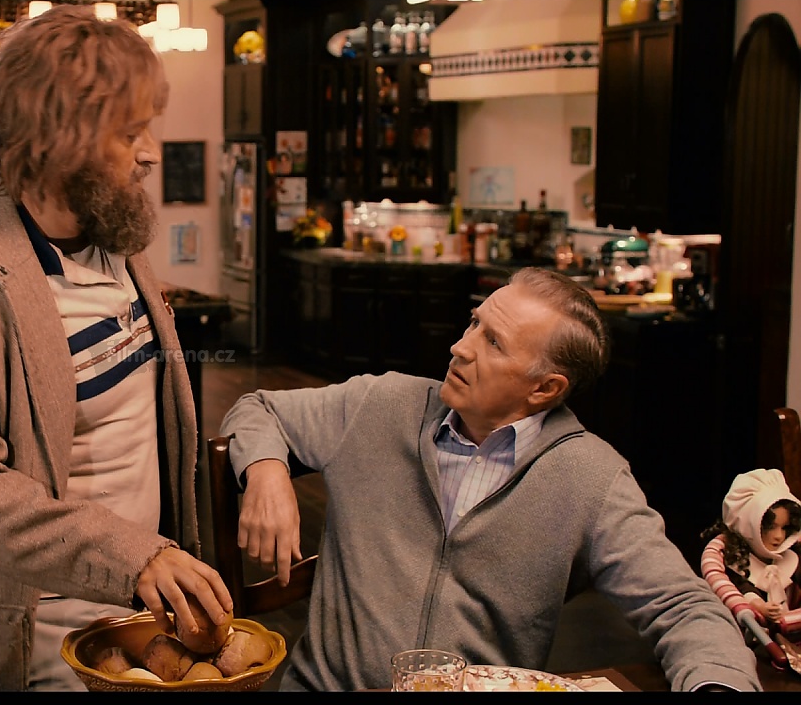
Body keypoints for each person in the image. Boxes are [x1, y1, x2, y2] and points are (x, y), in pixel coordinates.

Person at [0, 5, 232, 691]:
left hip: (138, 618)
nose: (150, 152)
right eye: (128, 133)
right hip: (32, 640)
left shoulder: (115, 239)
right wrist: (131, 555)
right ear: (57, 142)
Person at [220, 267, 762, 692]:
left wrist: (718, 684)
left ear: (545, 389)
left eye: (494, 342)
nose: (461, 346)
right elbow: (257, 409)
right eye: (473, 323)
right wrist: (266, 470)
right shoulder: (377, 404)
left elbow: (683, 607)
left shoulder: (591, 479)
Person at [701, 469, 801, 631]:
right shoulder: (736, 559)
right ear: (749, 526)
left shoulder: (793, 555)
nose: (779, 536)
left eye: (785, 528)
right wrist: (759, 607)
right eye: (770, 527)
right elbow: (743, 589)